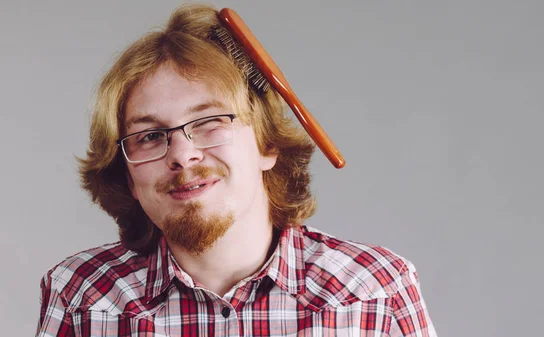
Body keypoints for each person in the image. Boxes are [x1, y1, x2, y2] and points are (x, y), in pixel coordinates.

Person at [36, 3, 437, 336]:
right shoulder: (82, 297)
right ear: (128, 177)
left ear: (266, 144)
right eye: (150, 136)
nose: (182, 154)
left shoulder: (373, 293)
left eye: (209, 121)